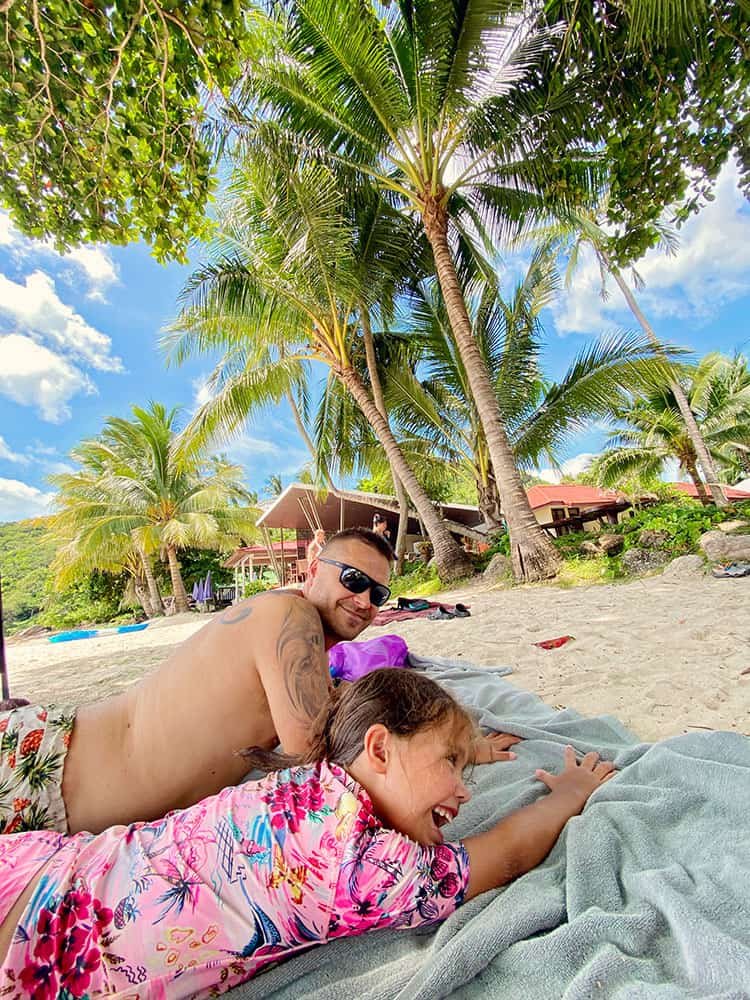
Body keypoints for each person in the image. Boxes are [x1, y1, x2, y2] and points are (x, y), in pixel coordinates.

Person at [0, 669, 615, 997]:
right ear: (378, 747)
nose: (462, 792)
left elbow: (413, 775)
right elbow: (503, 854)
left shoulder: (313, 779)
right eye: (450, 764)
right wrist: (569, 794)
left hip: (43, 860)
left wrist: (462, 753)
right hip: (42, 951)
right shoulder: (368, 864)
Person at [0, 528, 516, 837]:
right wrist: (448, 755)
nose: (365, 600)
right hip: (43, 770)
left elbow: (335, 716)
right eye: (353, 580)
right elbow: (320, 760)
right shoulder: (290, 617)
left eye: (378, 593)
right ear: (314, 569)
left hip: (52, 773)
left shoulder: (296, 640)